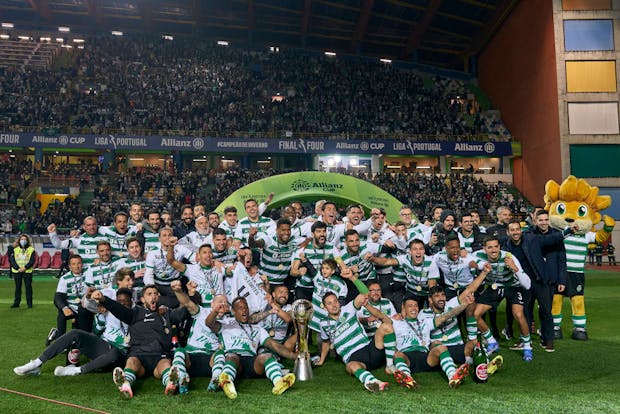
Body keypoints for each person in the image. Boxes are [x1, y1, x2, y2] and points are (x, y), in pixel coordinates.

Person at [91, 284, 190, 398]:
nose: (153, 297)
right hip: (139, 355)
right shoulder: (135, 313)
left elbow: (185, 311)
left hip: (159, 355)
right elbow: (118, 309)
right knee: (132, 362)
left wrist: (191, 294)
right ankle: (125, 383)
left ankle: (170, 382)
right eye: (149, 294)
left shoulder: (167, 314)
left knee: (165, 364)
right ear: (142, 299)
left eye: (155, 294)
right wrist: (103, 299)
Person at [13, 287, 133, 377]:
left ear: (131, 302)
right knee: (75, 333)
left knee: (115, 353)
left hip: (120, 355)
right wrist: (100, 317)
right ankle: (36, 364)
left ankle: (74, 371)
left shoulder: (136, 315)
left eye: (125, 301)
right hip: (104, 346)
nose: (122, 304)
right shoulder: (110, 311)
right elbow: (97, 331)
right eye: (119, 301)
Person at [206, 296, 297, 400]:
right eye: (240, 308)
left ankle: (279, 382)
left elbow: (274, 345)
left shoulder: (257, 328)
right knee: (232, 356)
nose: (244, 310)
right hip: (233, 360)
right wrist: (214, 312)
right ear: (234, 311)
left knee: (267, 356)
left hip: (251, 361)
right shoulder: (226, 324)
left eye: (246, 307)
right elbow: (209, 323)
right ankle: (227, 382)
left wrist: (295, 356)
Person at [314, 286, 397, 393]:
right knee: (350, 366)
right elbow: (326, 341)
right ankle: (373, 382)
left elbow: (363, 294)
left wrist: (353, 278)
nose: (334, 305)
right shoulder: (323, 323)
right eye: (329, 303)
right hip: (353, 357)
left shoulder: (348, 308)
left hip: (369, 349)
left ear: (339, 302)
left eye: (335, 301)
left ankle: (389, 365)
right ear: (325, 308)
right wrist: (321, 360)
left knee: (387, 327)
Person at [390, 296, 473, 389]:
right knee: (397, 355)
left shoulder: (425, 322)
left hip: (426, 356)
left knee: (441, 347)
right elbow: (382, 325)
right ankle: (407, 379)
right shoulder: (395, 322)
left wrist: (465, 304)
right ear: (403, 308)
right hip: (407, 357)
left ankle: (453, 376)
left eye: (416, 306)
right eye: (410, 306)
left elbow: (447, 315)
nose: (414, 308)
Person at [473, 236, 533, 361]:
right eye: (490, 247)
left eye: (496, 246)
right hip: (495, 288)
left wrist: (514, 268)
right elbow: (466, 258)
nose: (493, 250)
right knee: (475, 315)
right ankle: (491, 341)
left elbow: (527, 285)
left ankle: (527, 347)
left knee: (518, 314)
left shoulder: (509, 257)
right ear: (484, 249)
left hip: (512, 287)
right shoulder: (477, 255)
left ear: (500, 247)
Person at [9, 234, 36, 308]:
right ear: (19, 241)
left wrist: (25, 267)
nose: (23, 241)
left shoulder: (31, 250)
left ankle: (29, 304)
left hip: (27, 271)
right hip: (17, 271)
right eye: (22, 239)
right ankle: (16, 303)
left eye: (25, 239)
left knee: (28, 288)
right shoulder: (15, 250)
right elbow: (12, 260)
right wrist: (17, 268)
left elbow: (32, 260)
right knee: (18, 288)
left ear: (27, 241)